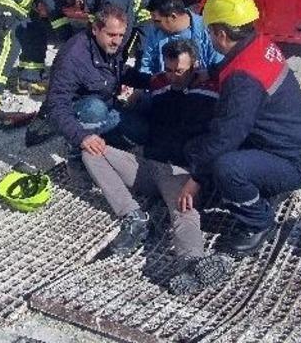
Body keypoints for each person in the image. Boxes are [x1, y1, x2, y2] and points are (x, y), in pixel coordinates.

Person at [178, 0, 301, 254]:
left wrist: (195, 177)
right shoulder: (259, 43)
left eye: (210, 32)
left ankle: (258, 222)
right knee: (206, 150)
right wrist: (209, 73)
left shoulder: (243, 80)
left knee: (226, 167)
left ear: (221, 34)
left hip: (291, 162)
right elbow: (237, 65)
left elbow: (227, 136)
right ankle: (257, 188)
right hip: (288, 147)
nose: (209, 37)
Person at [80, 38, 219, 258]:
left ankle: (192, 260)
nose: (174, 76)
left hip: (179, 171)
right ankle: (133, 215)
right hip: (147, 165)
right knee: (92, 151)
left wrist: (199, 176)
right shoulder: (159, 83)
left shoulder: (211, 88)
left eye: (180, 71)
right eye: (169, 70)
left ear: (195, 65)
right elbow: (136, 83)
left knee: (183, 212)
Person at [45, 3, 149, 157]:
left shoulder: (111, 46)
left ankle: (103, 138)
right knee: (95, 108)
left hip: (109, 105)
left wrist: (152, 81)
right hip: (82, 109)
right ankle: (80, 151)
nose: (117, 41)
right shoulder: (73, 56)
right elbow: (56, 103)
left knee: (142, 133)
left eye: (121, 35)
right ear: (95, 29)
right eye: (111, 35)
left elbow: (120, 71)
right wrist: (81, 137)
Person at [53, 0, 168, 59]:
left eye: (72, 10)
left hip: (156, 2)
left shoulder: (113, 0)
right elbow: (96, 22)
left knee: (145, 53)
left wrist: (108, 60)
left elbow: (122, 35)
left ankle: (144, 84)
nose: (76, 13)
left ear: (78, 1)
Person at [141, 0, 223, 75]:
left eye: (157, 21)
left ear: (173, 16)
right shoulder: (155, 31)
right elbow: (146, 65)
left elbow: (219, 65)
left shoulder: (208, 31)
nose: (154, 25)